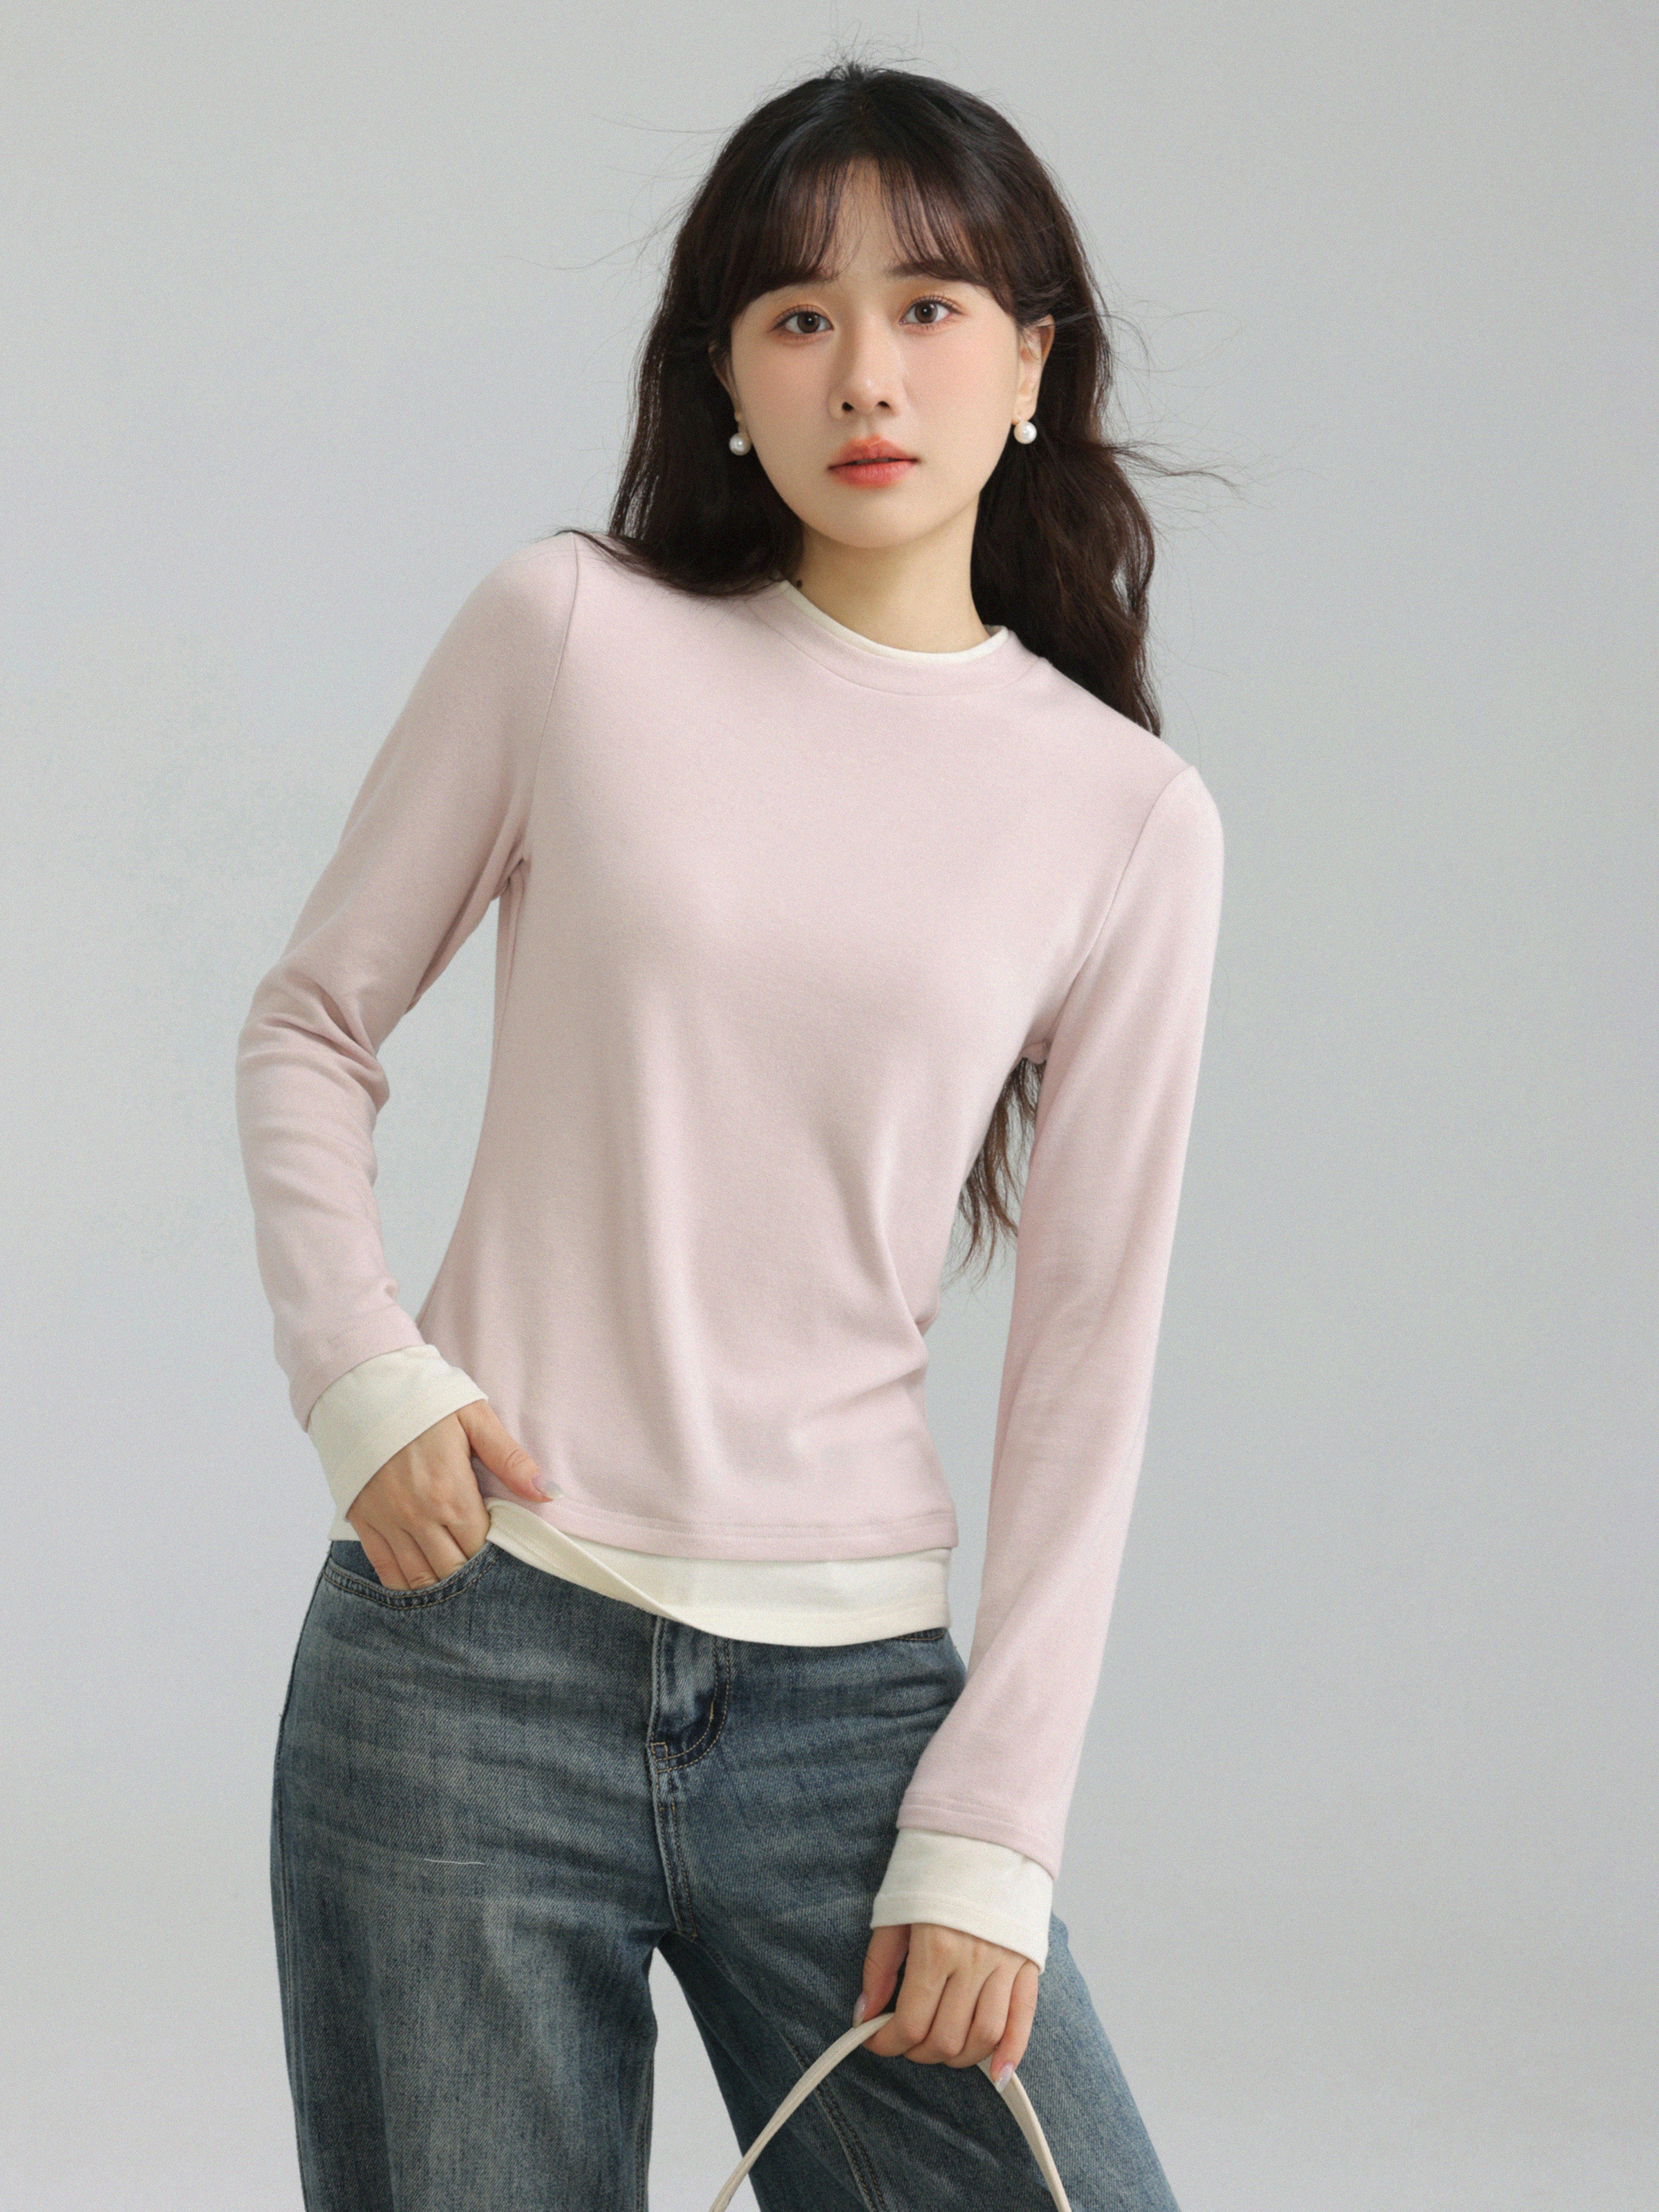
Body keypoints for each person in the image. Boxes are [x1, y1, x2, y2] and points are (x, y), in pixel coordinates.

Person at [236, 58, 1224, 2212]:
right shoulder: (570, 634)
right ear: (727, 378)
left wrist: (996, 1821)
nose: (866, 370)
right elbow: (312, 1021)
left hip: (853, 1715)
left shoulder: (1126, 818)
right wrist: (361, 1367)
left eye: (932, 307)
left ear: (1034, 365)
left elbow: (1088, 1355)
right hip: (474, 1651)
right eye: (798, 314)